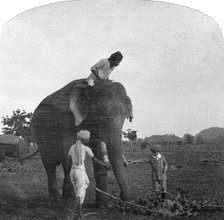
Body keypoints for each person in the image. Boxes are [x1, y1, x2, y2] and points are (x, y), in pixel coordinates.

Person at [67, 130, 111, 220]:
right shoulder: (86, 148)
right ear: (84, 139)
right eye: (88, 137)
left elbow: (68, 160)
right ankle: (71, 215)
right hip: (80, 172)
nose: (89, 139)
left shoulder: (72, 147)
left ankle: (80, 215)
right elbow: (95, 160)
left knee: (82, 190)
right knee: (80, 194)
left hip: (73, 172)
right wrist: (105, 165)